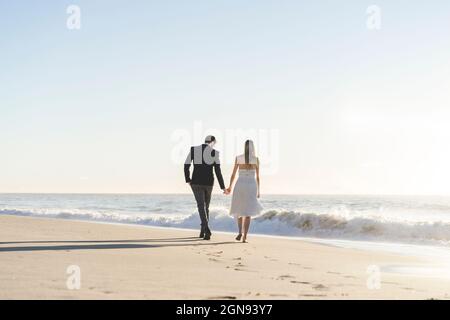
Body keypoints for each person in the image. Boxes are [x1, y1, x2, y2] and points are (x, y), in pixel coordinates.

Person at [184, 135, 227, 240]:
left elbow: (186, 165)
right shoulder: (214, 153)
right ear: (212, 142)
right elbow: (218, 171)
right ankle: (205, 229)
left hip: (196, 182)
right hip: (208, 183)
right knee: (205, 206)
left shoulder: (194, 149)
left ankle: (204, 229)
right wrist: (223, 187)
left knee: (201, 206)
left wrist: (188, 179)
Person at [226, 140, 262, 243]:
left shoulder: (238, 158)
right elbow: (258, 177)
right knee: (248, 212)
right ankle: (245, 237)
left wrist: (230, 187)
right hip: (251, 185)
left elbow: (233, 174)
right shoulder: (256, 159)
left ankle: (239, 232)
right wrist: (259, 191)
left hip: (240, 184)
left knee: (239, 209)